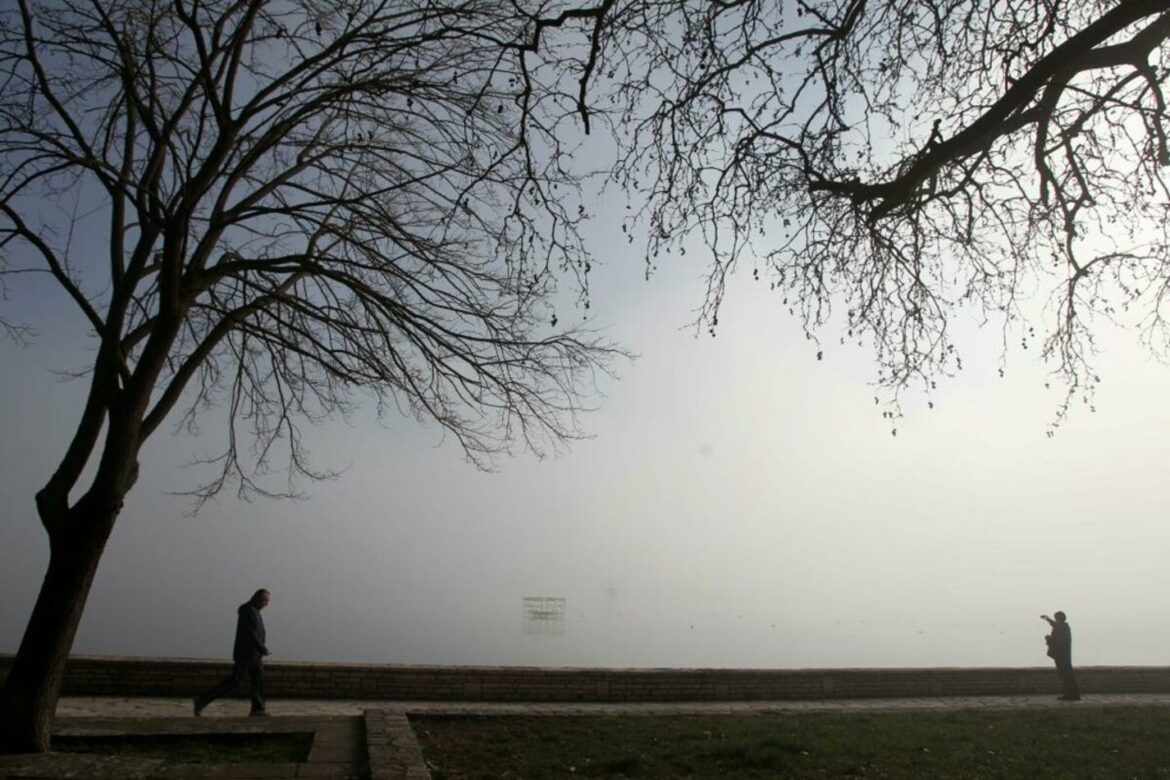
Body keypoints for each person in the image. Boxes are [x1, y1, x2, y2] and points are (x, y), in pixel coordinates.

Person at [194, 589, 272, 716]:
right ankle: (202, 700)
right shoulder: (247, 610)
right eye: (264, 600)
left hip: (255, 655)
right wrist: (261, 647)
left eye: (267, 601)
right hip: (246, 654)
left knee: (259, 680)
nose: (266, 604)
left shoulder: (255, 611)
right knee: (234, 681)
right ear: (257, 598)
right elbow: (250, 632)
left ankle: (258, 709)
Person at [1041, 611, 1081, 701]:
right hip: (1062, 656)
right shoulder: (1063, 627)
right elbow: (1055, 625)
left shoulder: (1063, 627)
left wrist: (1049, 639)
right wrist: (1047, 619)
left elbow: (1059, 642)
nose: (1055, 620)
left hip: (1062, 657)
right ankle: (1069, 695)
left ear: (1059, 618)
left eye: (1056, 618)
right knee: (1065, 676)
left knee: (1067, 676)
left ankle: (1072, 695)